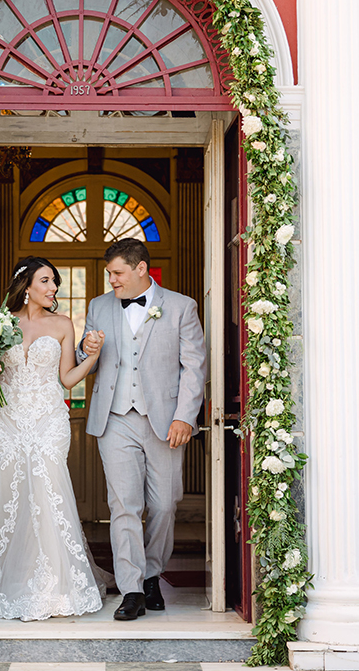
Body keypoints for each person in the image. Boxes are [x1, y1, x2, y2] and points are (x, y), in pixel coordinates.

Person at [0, 256, 110, 622]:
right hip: (6, 419)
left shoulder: (63, 324)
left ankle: (54, 586)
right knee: (7, 491)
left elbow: (68, 379)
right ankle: (2, 580)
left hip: (48, 419)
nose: (53, 287)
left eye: (54, 281)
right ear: (25, 287)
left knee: (47, 491)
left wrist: (94, 356)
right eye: (46, 281)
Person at [79, 238, 206, 621]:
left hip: (165, 420)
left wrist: (185, 416)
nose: (112, 280)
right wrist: (88, 347)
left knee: (164, 504)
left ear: (140, 269)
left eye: (117, 273)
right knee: (124, 506)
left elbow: (194, 367)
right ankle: (133, 589)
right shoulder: (98, 307)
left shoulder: (182, 307)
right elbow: (87, 358)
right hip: (114, 418)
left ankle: (153, 573)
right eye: (109, 274)